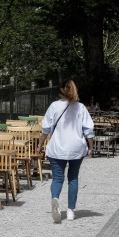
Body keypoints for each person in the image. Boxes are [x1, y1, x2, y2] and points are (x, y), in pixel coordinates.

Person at [37, 79, 94, 223]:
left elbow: (45, 129)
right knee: (73, 178)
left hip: (58, 147)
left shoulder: (54, 106)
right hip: (76, 147)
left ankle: (55, 199)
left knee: (57, 178)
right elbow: (89, 130)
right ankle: (70, 211)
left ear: (61, 90)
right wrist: (91, 147)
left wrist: (40, 145)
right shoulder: (80, 108)